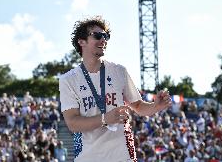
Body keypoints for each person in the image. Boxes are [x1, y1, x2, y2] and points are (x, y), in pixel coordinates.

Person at [59, 16, 172, 162]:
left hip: (122, 156)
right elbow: (73, 123)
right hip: (88, 157)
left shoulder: (119, 71)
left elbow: (138, 106)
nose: (103, 40)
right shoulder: (68, 79)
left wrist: (156, 106)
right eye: (97, 35)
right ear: (82, 42)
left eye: (106, 36)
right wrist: (105, 119)